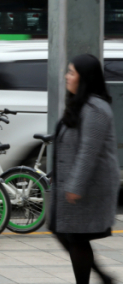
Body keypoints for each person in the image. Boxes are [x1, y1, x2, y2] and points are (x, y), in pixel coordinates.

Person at [50, 53, 119, 284]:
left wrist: (75, 186)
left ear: (85, 77)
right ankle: (103, 277)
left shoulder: (95, 108)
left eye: (71, 72)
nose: (66, 76)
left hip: (90, 187)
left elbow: (89, 152)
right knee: (62, 231)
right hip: (75, 184)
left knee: (76, 238)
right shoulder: (80, 104)